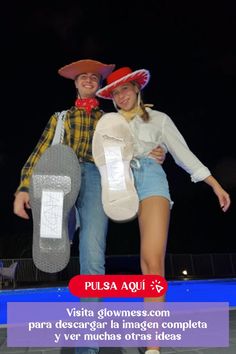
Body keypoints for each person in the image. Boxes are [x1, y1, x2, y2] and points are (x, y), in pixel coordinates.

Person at [13, 59, 166, 354]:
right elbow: (40, 152)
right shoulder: (60, 118)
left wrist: (155, 152)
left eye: (93, 77)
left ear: (99, 86)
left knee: (93, 261)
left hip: (98, 179)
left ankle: (88, 345)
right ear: (75, 83)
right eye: (82, 77)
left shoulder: (112, 120)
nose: (87, 80)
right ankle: (59, 222)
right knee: (59, 165)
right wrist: (24, 188)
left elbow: (131, 149)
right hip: (62, 171)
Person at [95, 66, 231, 354]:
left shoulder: (159, 119)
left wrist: (215, 185)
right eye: (115, 92)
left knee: (151, 262)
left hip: (150, 180)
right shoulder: (107, 123)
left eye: (125, 89)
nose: (121, 96)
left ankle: (153, 344)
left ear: (136, 89)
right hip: (117, 183)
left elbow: (184, 155)